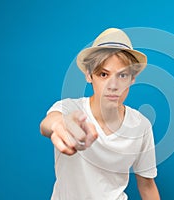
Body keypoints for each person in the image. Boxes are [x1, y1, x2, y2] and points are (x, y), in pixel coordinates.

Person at [40, 28, 160, 200]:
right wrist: (59, 125)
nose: (113, 85)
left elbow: (147, 186)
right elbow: (48, 124)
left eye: (123, 75)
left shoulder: (141, 126)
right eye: (104, 74)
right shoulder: (68, 108)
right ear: (89, 75)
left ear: (132, 79)